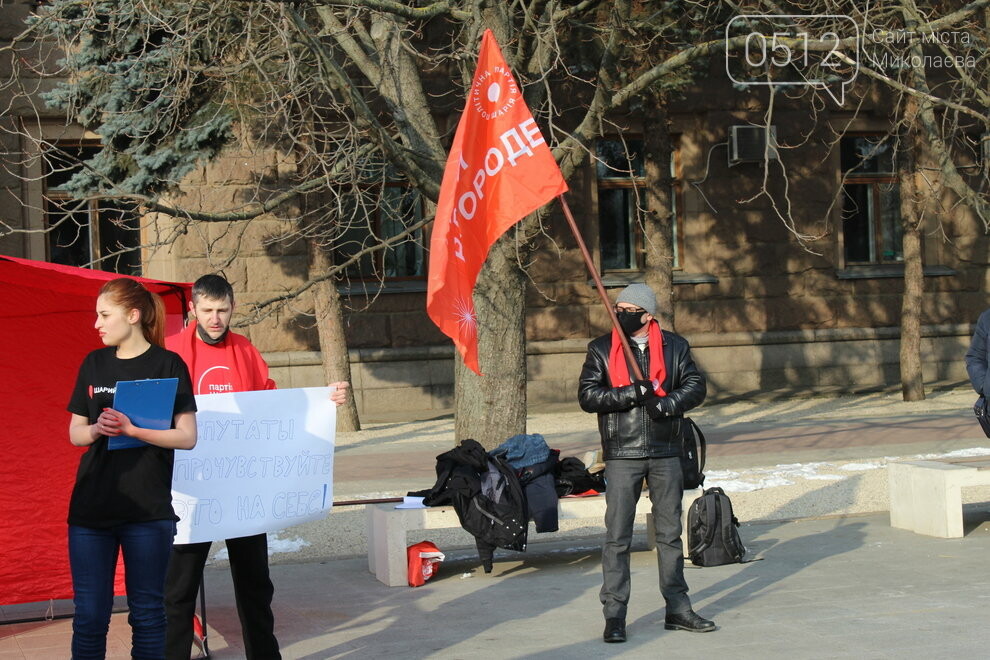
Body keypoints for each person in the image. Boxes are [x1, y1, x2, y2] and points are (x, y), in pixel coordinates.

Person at [164, 274, 349, 660]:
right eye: (208, 310)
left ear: (233, 309)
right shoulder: (171, 351)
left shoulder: (245, 350)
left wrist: (322, 400)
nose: (216, 319)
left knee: (255, 586)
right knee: (178, 589)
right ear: (193, 309)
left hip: (242, 490)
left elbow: (272, 407)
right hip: (192, 491)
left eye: (223, 310)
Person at [67, 278, 198, 659]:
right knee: (90, 617)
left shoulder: (167, 363)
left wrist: (133, 429)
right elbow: (75, 432)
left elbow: (187, 436)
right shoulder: (93, 363)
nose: (97, 323)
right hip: (91, 511)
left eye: (104, 315)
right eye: (97, 315)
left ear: (134, 315)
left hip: (147, 512)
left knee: (147, 615)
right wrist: (95, 428)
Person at [578, 283, 714, 643]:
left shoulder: (675, 346)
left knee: (670, 535)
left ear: (646, 314)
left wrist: (667, 404)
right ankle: (615, 615)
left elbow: (696, 385)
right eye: (617, 307)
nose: (618, 313)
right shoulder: (601, 348)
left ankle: (677, 609)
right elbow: (588, 396)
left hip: (666, 451)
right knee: (617, 538)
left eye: (626, 308)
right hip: (622, 454)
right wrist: (630, 393)